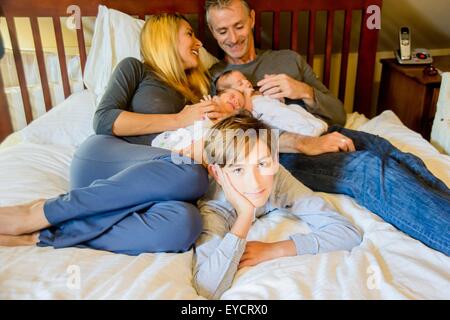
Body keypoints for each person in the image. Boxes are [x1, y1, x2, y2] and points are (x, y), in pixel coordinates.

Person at [204, 0, 450, 255]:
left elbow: (339, 114)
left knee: (392, 153)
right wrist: (304, 143)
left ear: (252, 19)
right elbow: (224, 134)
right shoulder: (215, 79)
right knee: (368, 167)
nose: (232, 38)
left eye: (239, 26)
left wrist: (304, 90)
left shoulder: (288, 60)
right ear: (211, 31)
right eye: (222, 31)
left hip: (327, 129)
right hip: (282, 152)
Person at [0, 13, 229, 255]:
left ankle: (45, 235)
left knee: (185, 224)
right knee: (191, 173)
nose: (199, 43)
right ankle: (41, 213)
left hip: (158, 183)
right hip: (106, 159)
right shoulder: (137, 69)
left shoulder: (197, 93)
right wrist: (179, 119)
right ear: (166, 36)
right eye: (190, 34)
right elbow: (104, 120)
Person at [193, 111, 362, 299]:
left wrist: (275, 249)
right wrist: (245, 216)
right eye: (238, 169)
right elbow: (207, 288)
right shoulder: (214, 207)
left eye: (262, 164)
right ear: (217, 174)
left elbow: (348, 232)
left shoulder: (276, 178)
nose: (255, 183)